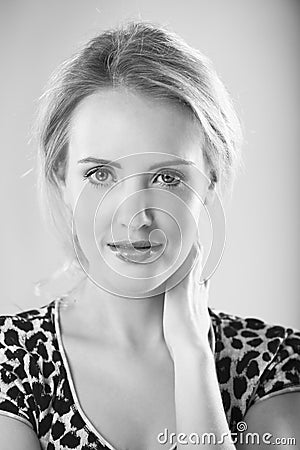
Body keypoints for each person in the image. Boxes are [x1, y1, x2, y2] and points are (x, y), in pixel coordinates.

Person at [0, 20, 299, 450]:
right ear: (61, 178)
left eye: (166, 177)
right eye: (100, 174)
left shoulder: (273, 364)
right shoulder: (13, 361)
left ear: (209, 183)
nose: (135, 217)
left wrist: (192, 354)